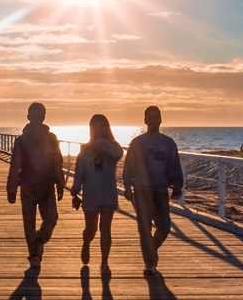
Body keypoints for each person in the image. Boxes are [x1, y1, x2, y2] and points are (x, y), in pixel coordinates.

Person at [123, 105, 183, 275]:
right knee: (144, 228)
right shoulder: (137, 143)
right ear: (145, 120)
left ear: (161, 119)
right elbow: (128, 167)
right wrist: (127, 186)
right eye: (150, 117)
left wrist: (177, 186)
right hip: (141, 190)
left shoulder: (168, 143)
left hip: (160, 190)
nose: (153, 120)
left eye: (156, 117)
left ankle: (152, 249)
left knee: (164, 226)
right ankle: (150, 264)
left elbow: (174, 166)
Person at [6, 102, 65, 269]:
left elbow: (57, 162)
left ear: (44, 117)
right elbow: (14, 166)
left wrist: (60, 184)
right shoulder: (21, 141)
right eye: (34, 115)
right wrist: (11, 189)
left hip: (47, 187)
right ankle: (34, 255)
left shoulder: (52, 138)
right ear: (28, 117)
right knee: (29, 224)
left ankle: (39, 240)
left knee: (51, 219)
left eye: (40, 115)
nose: (37, 119)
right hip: (28, 188)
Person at [70, 114, 125, 274]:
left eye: (102, 125)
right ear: (91, 128)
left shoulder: (113, 147)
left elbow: (118, 154)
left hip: (108, 194)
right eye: (95, 126)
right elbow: (80, 171)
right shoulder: (84, 149)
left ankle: (104, 263)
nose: (99, 129)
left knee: (105, 228)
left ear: (107, 128)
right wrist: (75, 188)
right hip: (91, 195)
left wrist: (101, 144)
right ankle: (86, 242)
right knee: (91, 229)